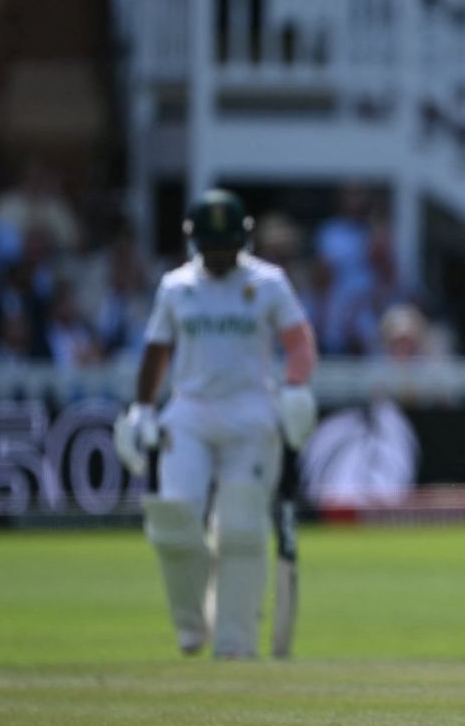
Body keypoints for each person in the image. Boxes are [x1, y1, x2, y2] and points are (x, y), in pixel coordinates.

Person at [112, 189, 318, 659]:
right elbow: (156, 350)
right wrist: (142, 408)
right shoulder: (176, 286)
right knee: (174, 520)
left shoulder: (268, 282)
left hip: (251, 413)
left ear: (243, 241)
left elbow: (299, 340)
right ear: (194, 242)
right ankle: (191, 624)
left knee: (243, 532)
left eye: (227, 248)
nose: (219, 258)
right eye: (211, 248)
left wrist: (296, 386)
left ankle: (235, 642)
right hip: (190, 411)